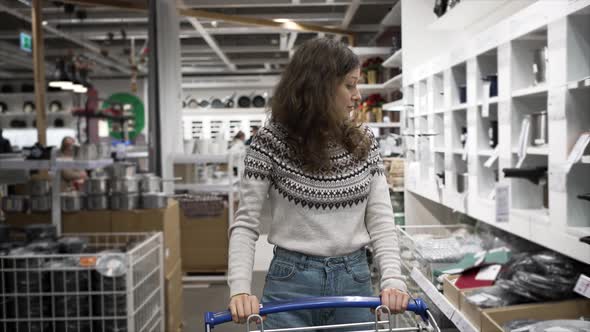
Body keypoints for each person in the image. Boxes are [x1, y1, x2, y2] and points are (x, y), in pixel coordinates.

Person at [227, 37, 409, 329]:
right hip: (291, 282)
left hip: (355, 279)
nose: (357, 95)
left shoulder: (364, 142)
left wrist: (393, 279)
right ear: (321, 88)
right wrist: (239, 289)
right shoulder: (269, 143)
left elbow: (381, 220)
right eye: (349, 85)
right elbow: (246, 224)